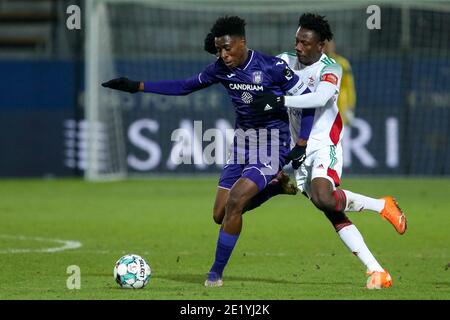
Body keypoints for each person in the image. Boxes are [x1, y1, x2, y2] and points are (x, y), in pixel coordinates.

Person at [102, 16, 312, 287]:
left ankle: (215, 274)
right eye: (219, 50)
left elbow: (308, 101)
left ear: (242, 42)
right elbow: (184, 86)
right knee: (219, 215)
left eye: (227, 48)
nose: (223, 55)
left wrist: (301, 143)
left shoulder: (272, 67)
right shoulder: (220, 69)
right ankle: (275, 188)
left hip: (273, 143)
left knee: (236, 201)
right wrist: (138, 86)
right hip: (242, 143)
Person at [250, 13, 407, 289]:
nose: (299, 47)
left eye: (306, 43)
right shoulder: (284, 61)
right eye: (297, 41)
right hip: (298, 146)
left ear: (321, 45)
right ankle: (377, 271)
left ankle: (382, 206)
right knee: (331, 210)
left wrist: (279, 100)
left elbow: (320, 98)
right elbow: (257, 73)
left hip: (325, 142)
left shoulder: (331, 68)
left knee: (324, 196)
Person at [323, 40, 356, 127]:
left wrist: (350, 107)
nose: (327, 47)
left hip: (340, 105)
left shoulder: (343, 63)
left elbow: (349, 86)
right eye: (324, 45)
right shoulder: (315, 63)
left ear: (333, 46)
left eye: (329, 45)